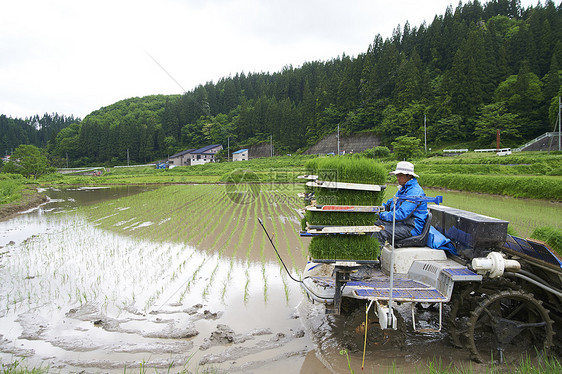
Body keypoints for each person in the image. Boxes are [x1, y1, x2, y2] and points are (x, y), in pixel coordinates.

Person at [373, 161, 428, 247]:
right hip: (401, 223)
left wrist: (381, 214)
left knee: (381, 231)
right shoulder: (403, 189)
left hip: (410, 227)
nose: (398, 178)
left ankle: (374, 257)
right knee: (372, 221)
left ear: (409, 176)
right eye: (397, 175)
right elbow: (389, 204)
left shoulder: (415, 192)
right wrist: (375, 209)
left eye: (401, 175)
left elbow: (401, 214)